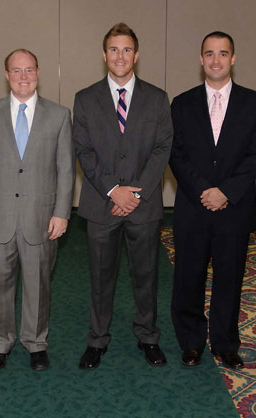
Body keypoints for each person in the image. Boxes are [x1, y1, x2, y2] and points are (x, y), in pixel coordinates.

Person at [73, 23, 173, 369]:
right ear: (104, 55)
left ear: (137, 55)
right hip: (102, 205)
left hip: (144, 207)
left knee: (146, 276)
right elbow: (84, 151)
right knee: (101, 278)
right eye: (114, 50)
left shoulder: (157, 98)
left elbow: (162, 149)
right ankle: (97, 340)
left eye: (127, 49)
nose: (120, 56)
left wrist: (135, 193)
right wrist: (114, 191)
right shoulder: (85, 99)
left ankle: (148, 336)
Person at [0, 49, 74, 371]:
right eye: (16, 71)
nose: (23, 76)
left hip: (40, 218)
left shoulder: (59, 115)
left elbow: (66, 169)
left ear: (38, 72)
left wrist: (61, 212)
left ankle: (36, 342)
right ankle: (0, 342)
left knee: (38, 284)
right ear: (6, 75)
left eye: (29, 70)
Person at [169, 32, 256, 369]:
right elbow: (177, 154)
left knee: (230, 278)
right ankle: (191, 342)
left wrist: (225, 191)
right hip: (193, 207)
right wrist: (205, 190)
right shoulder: (181, 104)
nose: (216, 60)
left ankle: (226, 343)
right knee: (189, 278)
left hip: (234, 208)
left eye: (223, 53)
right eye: (209, 54)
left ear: (233, 58)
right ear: (200, 59)